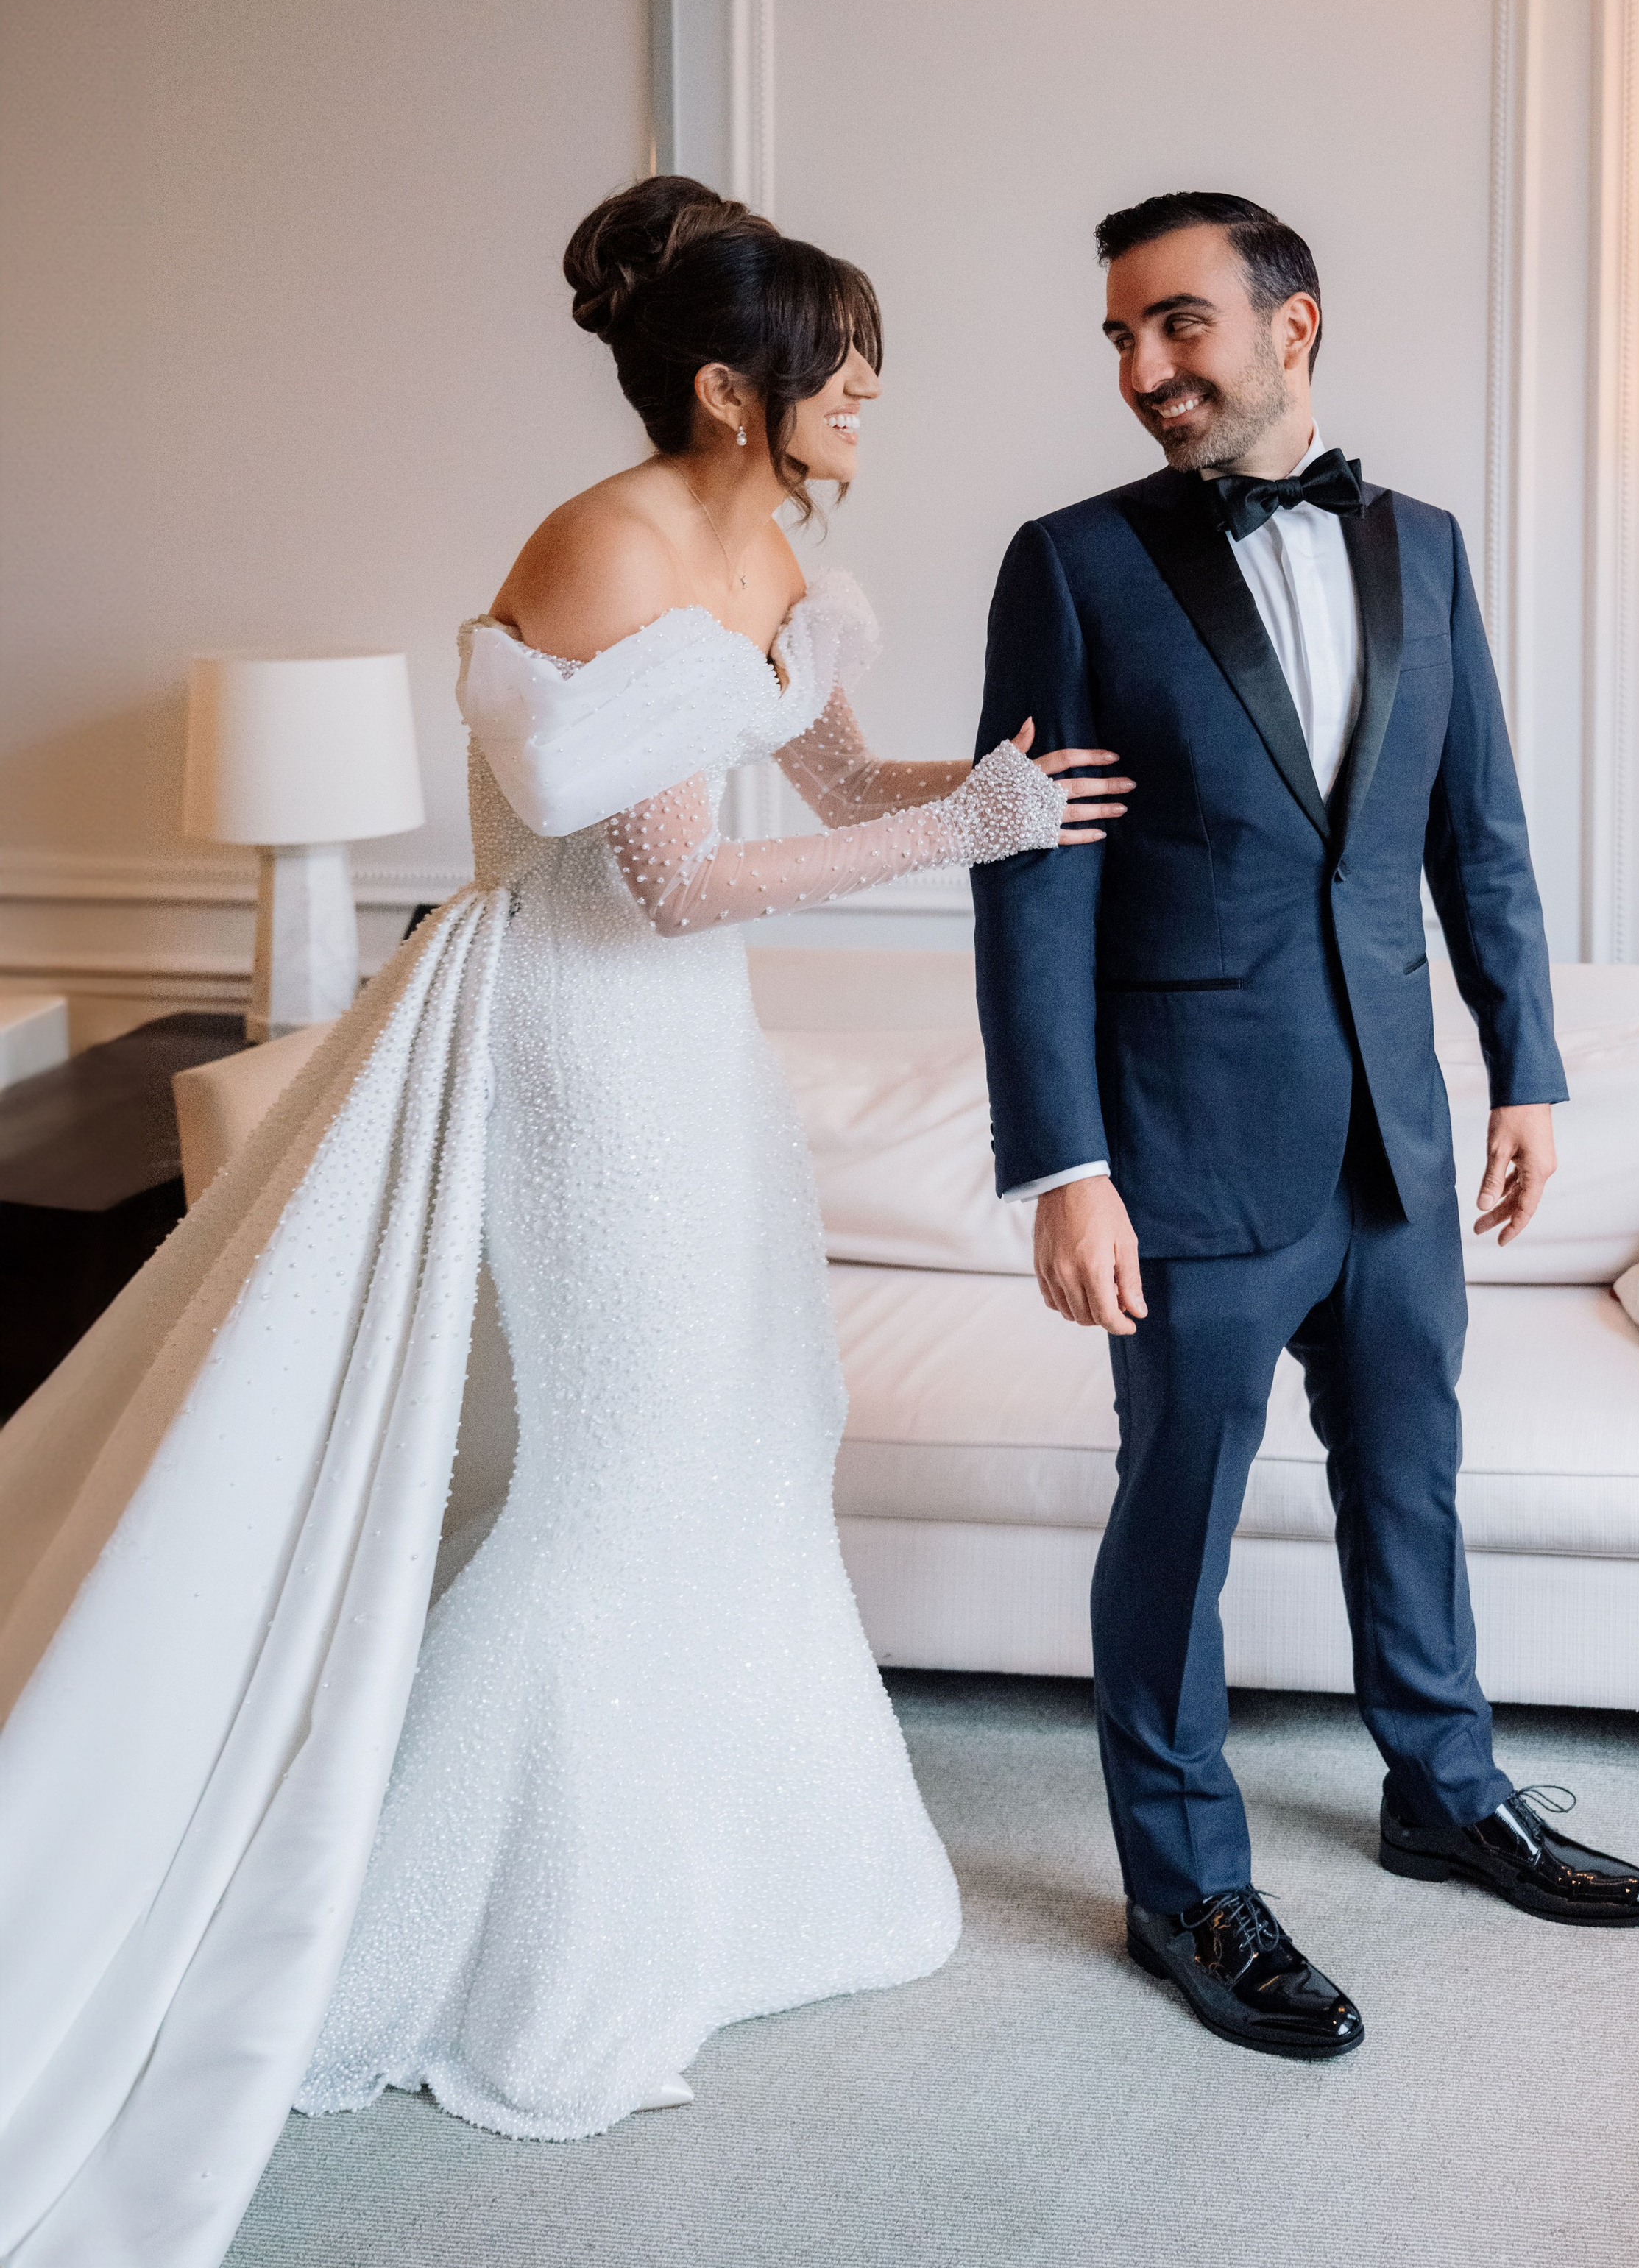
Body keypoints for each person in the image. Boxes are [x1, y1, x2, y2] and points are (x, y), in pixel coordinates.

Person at [0, 176, 1129, 2268]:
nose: (870, 394)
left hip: (697, 1058)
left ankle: (732, 1897)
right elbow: (668, 882)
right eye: (840, 367)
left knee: (754, 1434)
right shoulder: (600, 547)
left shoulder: (780, 549)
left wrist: (998, 791)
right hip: (579, 1043)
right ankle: (431, 1935)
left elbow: (831, 785)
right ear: (728, 391)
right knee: (610, 1481)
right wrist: (953, 842)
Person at [971, 189, 1639, 2065]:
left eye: (1177, 323)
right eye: (1120, 336)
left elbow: (1476, 835)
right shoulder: (1069, 566)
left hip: (1397, 1144)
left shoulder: (1423, 546)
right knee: (1176, 1519)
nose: (1143, 369)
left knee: (1410, 1478)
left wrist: (1525, 1070)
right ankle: (1183, 1886)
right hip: (1182, 1146)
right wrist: (1063, 1165)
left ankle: (1443, 1789)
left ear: (1294, 324)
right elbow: (1029, 884)